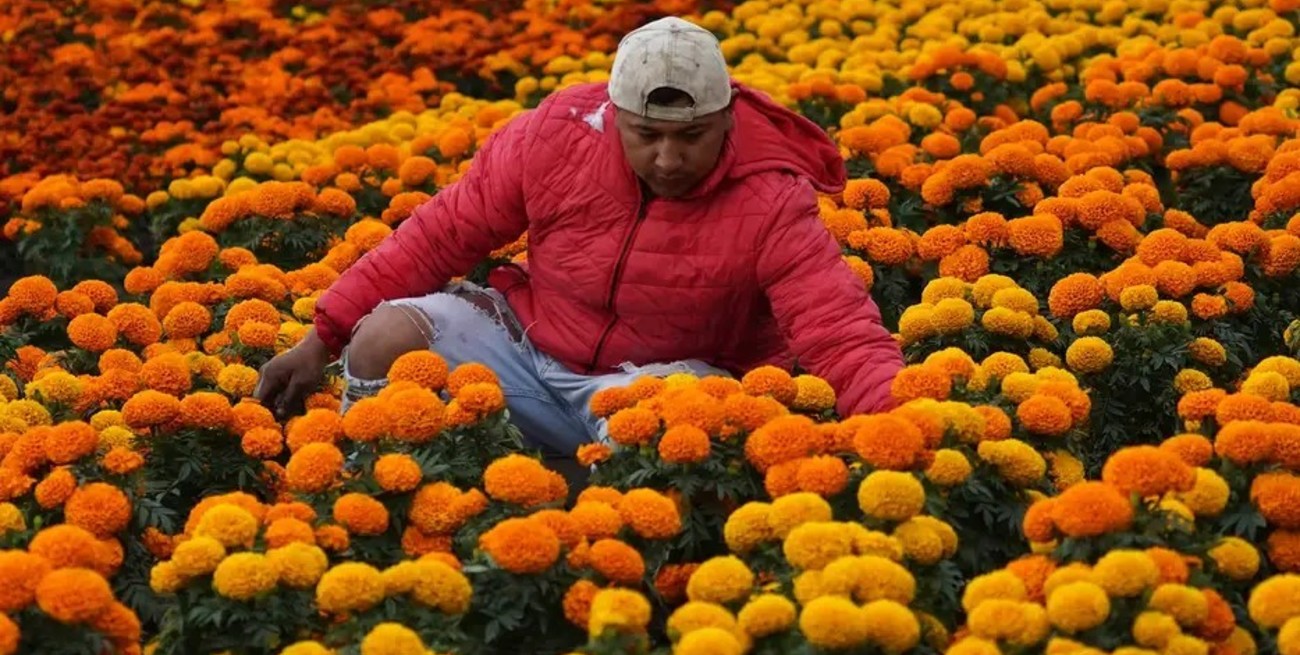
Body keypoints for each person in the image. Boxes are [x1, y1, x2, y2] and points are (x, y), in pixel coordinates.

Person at [254, 16, 905, 457]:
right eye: (647, 136)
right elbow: (439, 235)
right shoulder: (558, 135)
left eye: (692, 137)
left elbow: (839, 331)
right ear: (616, 115)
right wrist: (322, 339)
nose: (669, 159)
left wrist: (906, 431)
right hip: (533, 353)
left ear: (726, 119)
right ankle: (372, 513)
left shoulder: (770, 195)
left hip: (656, 382)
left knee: (677, 431)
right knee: (383, 340)